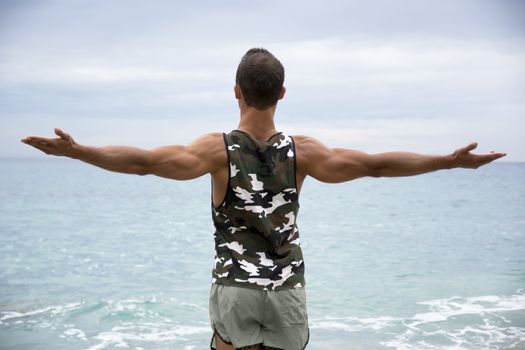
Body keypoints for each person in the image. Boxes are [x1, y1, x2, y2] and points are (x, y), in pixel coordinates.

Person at [21, 48, 506, 350]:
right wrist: (446, 160)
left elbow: (145, 162)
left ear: (237, 91)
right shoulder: (306, 152)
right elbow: (377, 165)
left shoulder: (214, 150)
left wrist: (78, 151)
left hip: (235, 289)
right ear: (282, 93)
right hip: (286, 291)